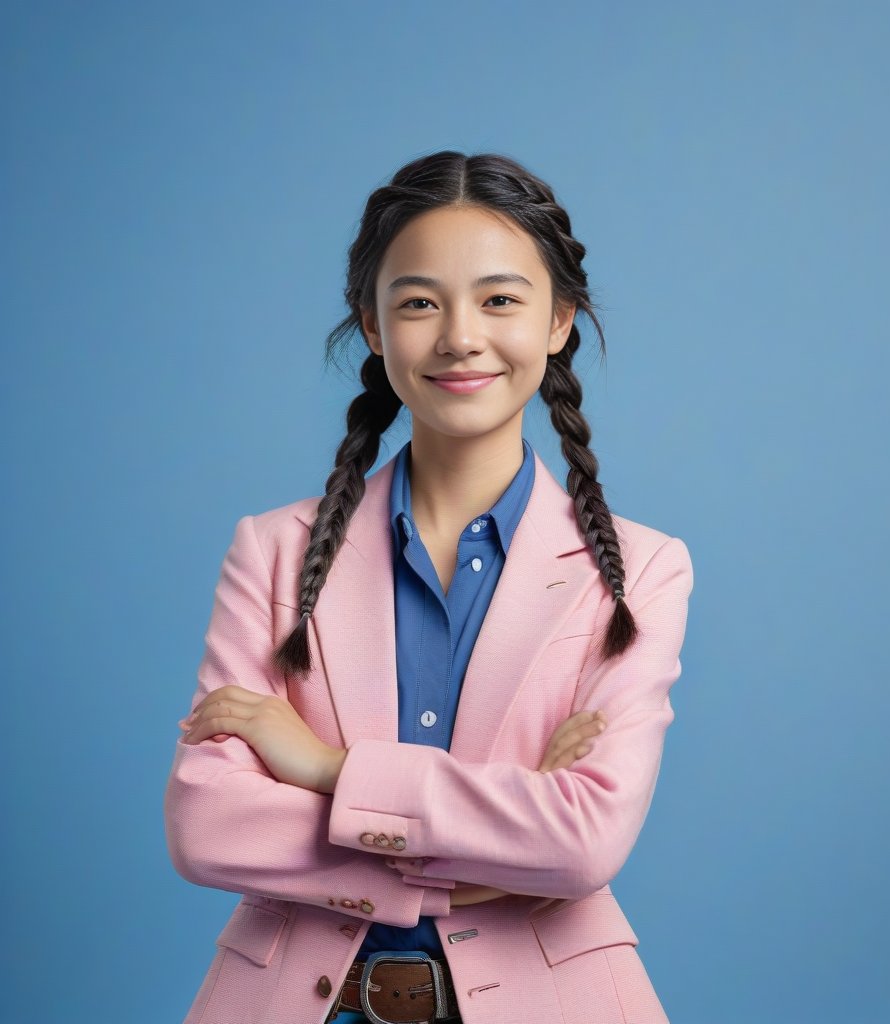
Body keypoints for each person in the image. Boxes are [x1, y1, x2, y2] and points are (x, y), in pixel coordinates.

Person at [164, 150, 694, 1024]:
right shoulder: (272, 550)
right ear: (372, 328)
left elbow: (583, 841)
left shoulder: (640, 570)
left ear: (559, 319)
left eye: (500, 299)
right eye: (417, 301)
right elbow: (208, 824)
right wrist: (488, 849)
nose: (459, 335)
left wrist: (327, 771)